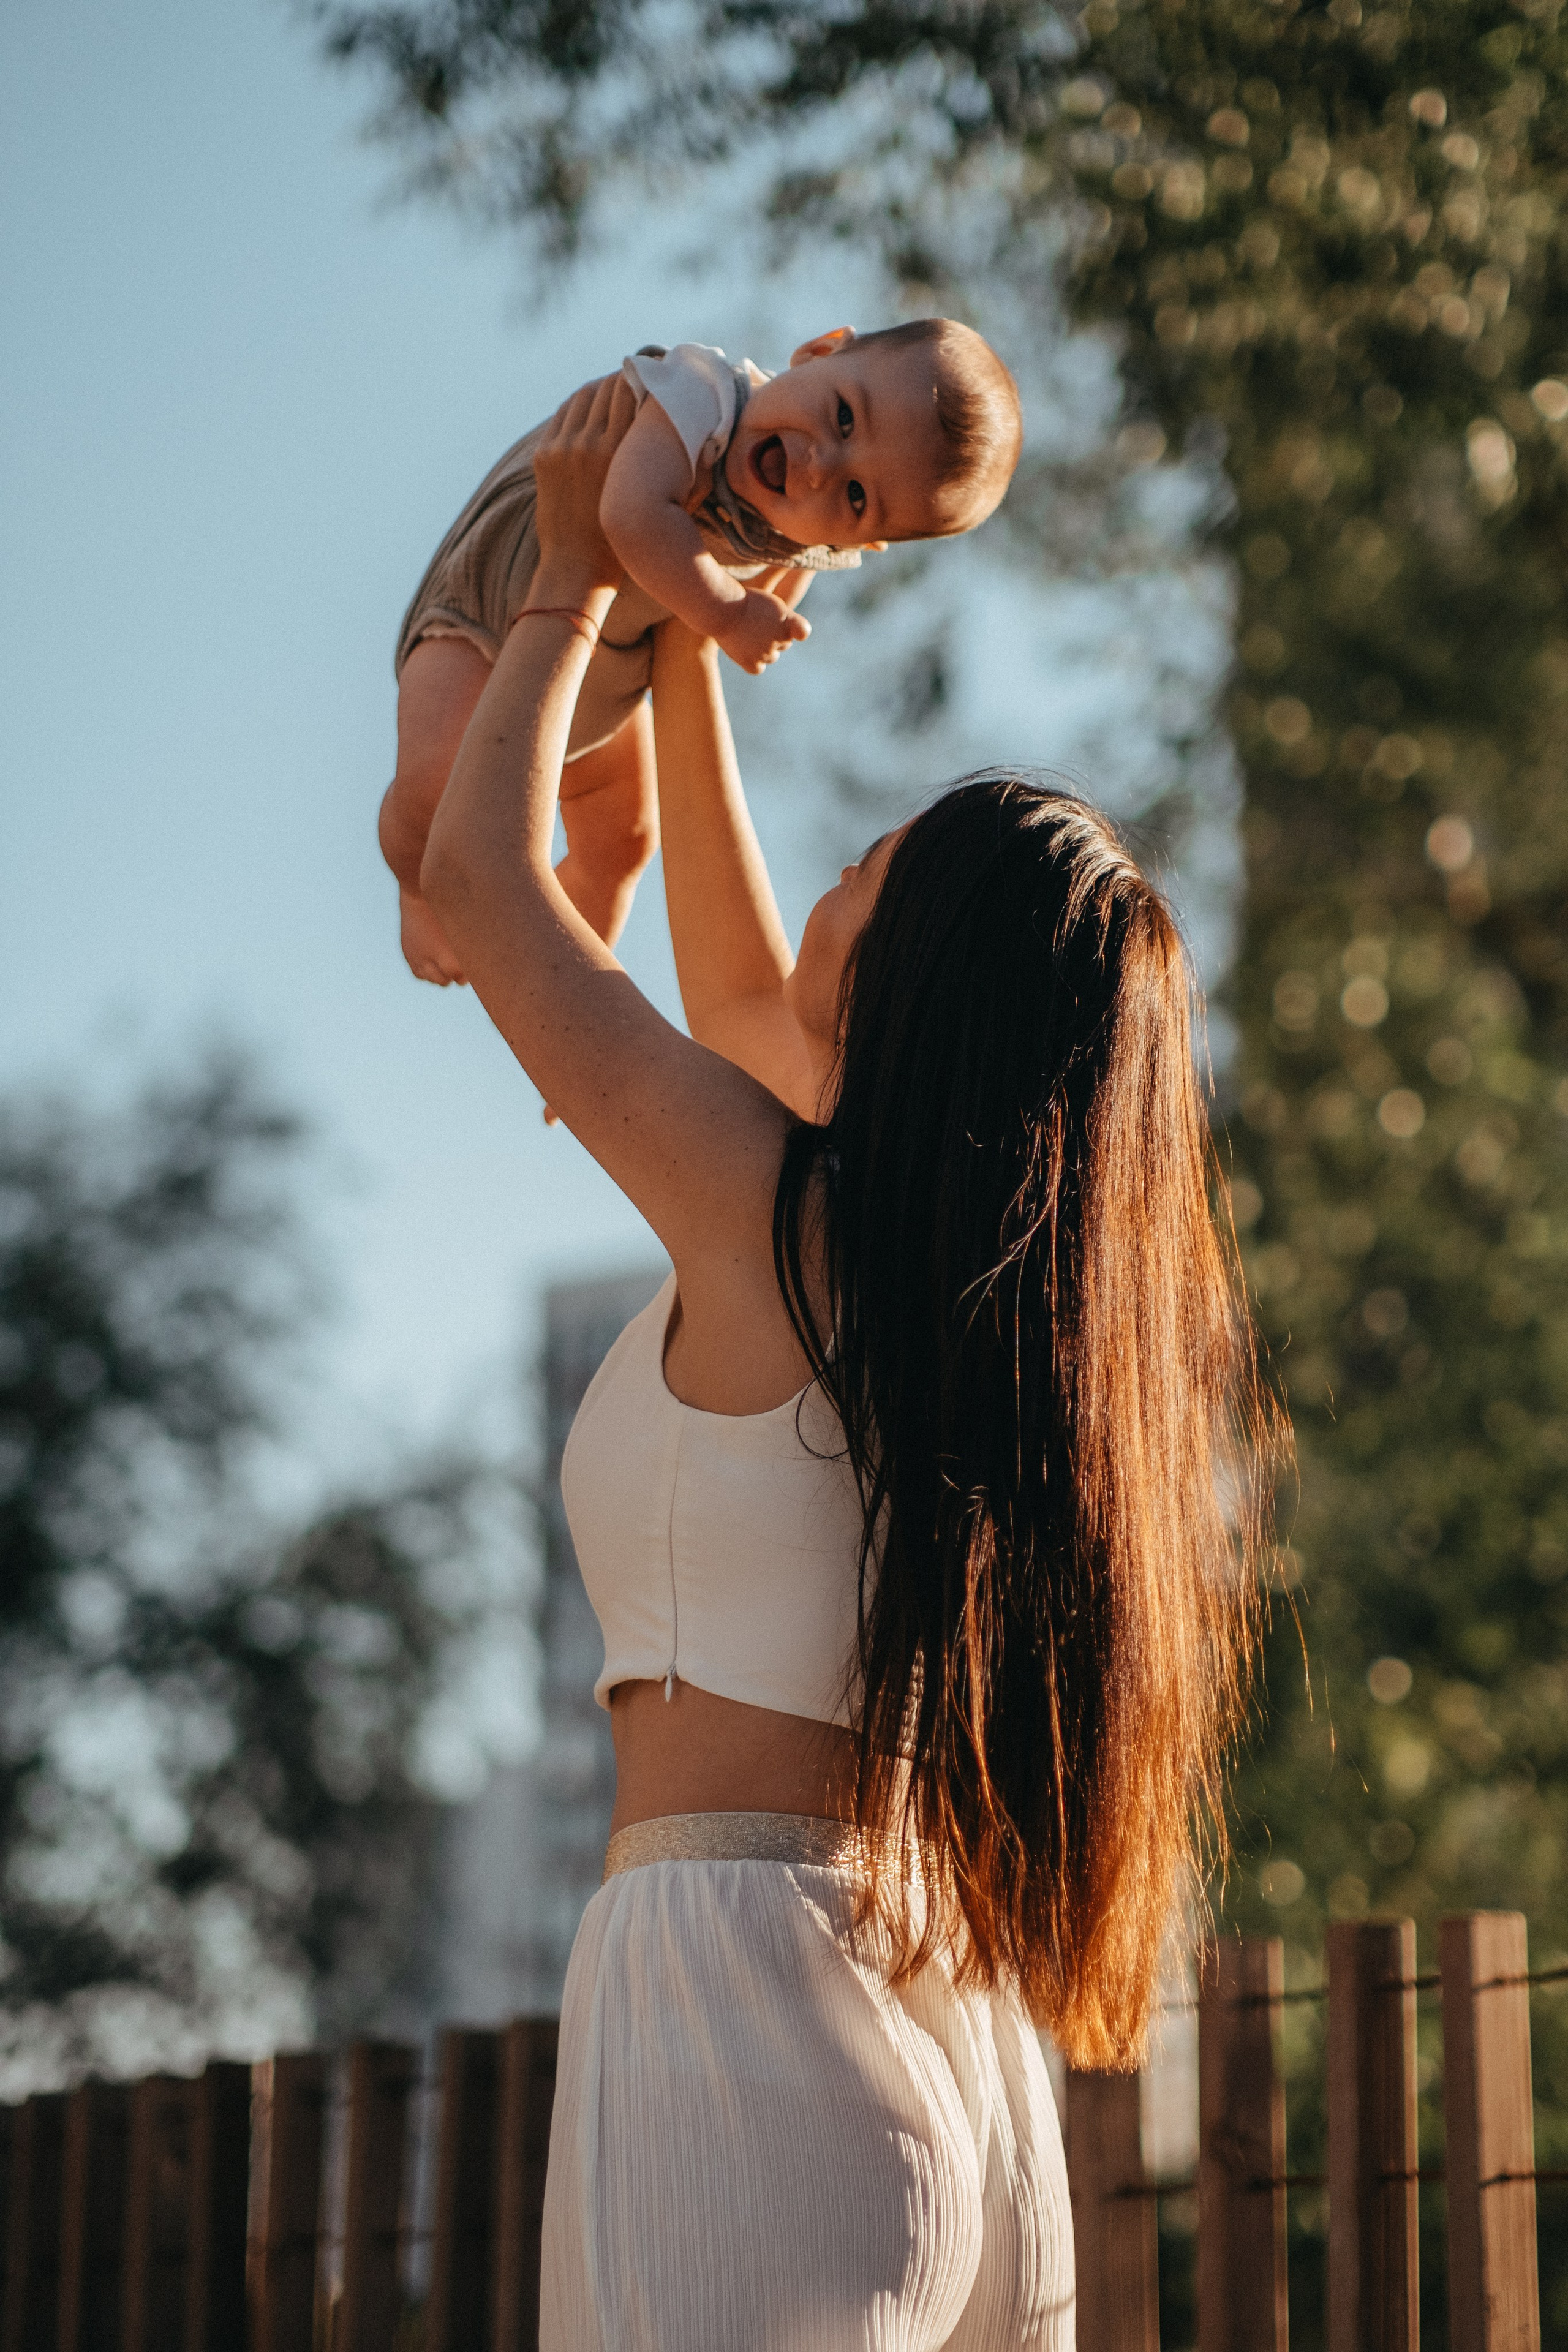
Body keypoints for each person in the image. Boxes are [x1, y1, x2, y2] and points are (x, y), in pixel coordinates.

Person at [420, 377, 1274, 2350]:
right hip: (930, 2018)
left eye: (867, 852)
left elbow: (482, 892)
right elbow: (736, 996)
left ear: (915, 972)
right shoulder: (949, 1282)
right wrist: (684, 609)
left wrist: (562, 581)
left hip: (741, 2007)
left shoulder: (774, 1217)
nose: (829, 870)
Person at [382, 320, 1022, 982]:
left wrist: (757, 616)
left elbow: (772, 590)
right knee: (433, 795)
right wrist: (730, 612)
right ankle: (418, 889)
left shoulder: (807, 539)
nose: (817, 466)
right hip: (487, 612)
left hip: (596, 679)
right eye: (842, 417)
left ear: (864, 542)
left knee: (623, 843)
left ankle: (544, 979)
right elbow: (631, 512)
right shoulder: (702, 395)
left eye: (856, 496)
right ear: (820, 351)